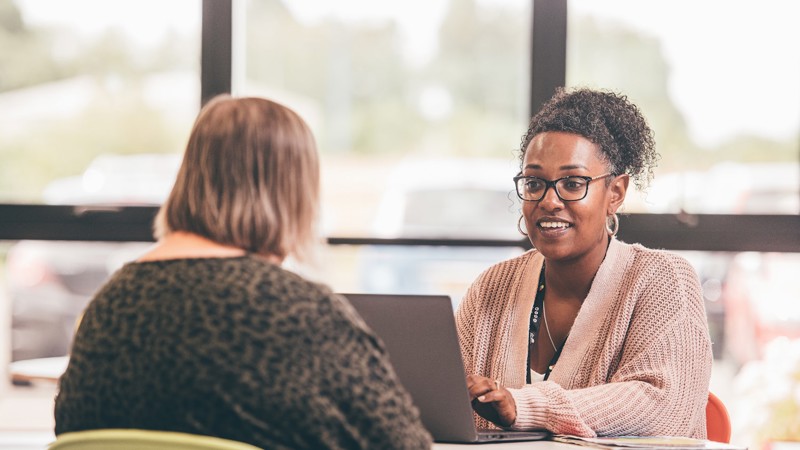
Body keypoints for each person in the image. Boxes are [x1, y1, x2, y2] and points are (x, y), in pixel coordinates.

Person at [54, 95, 433, 450]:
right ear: (294, 194)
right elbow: (404, 443)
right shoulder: (296, 312)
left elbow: (70, 428)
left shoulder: (109, 306)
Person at [456, 87, 712, 438]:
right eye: (534, 183)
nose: (549, 201)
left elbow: (662, 405)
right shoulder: (492, 287)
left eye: (573, 184)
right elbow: (446, 395)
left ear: (616, 193)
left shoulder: (663, 280)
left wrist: (526, 406)